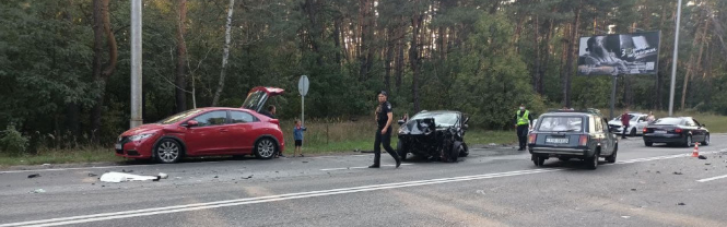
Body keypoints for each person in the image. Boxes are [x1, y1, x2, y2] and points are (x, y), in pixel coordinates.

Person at [369, 91, 401, 168]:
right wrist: (376, 116)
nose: (380, 98)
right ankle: (376, 163)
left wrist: (385, 128)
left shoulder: (387, 105)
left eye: (382, 96)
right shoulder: (380, 106)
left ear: (385, 97)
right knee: (376, 145)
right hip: (380, 128)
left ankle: (397, 159)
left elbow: (390, 118)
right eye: (379, 96)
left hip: (385, 128)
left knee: (386, 146)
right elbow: (377, 114)